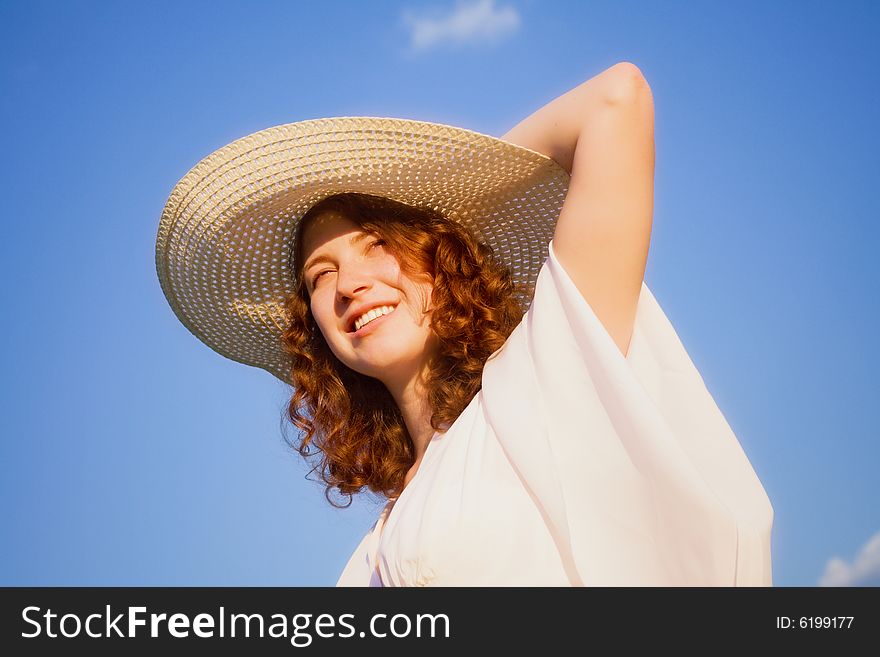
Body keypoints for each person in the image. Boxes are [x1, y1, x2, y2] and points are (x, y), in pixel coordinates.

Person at [155, 62, 774, 586]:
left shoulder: (546, 381)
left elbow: (617, 98)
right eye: (321, 275)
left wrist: (459, 204)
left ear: (440, 257)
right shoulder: (372, 556)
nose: (350, 284)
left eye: (378, 245)